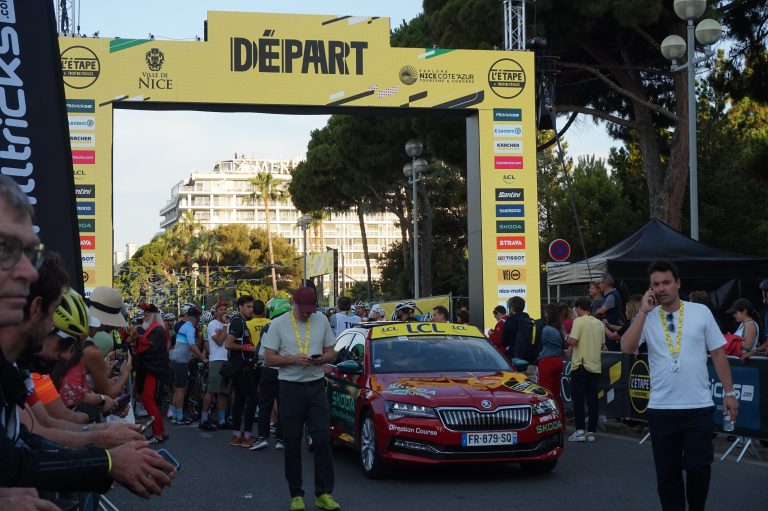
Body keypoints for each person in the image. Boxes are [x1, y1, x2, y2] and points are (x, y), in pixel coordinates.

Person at [0, 176, 174, 497]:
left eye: (29, 253)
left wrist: (102, 441)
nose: (72, 354)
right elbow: (30, 444)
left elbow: (20, 446)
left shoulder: (14, 368)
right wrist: (105, 455)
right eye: (4, 248)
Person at [621, 259, 738, 511]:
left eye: (666, 282)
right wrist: (642, 312)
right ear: (650, 288)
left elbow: (718, 354)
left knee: (699, 466)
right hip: (662, 409)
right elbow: (626, 348)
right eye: (655, 284)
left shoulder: (700, 312)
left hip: (698, 407)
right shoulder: (647, 317)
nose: (661, 288)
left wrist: (729, 392)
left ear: (678, 283)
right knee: (667, 476)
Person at [263, 288, 340, 511]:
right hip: (290, 388)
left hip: (316, 386)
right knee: (292, 442)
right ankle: (296, 494)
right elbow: (268, 358)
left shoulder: (321, 320)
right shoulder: (278, 324)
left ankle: (324, 493)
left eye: (310, 311)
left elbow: (330, 352)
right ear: (292, 303)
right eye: (302, 310)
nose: (306, 315)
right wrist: (292, 359)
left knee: (323, 440)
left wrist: (321, 359)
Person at [251, 297, 292, 451]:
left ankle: (262, 437)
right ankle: (281, 439)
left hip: (268, 369)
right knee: (283, 405)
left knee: (265, 405)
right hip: (287, 370)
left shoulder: (269, 326)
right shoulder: (294, 328)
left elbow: (261, 352)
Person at [566, 296, 605, 442]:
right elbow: (603, 345)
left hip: (580, 365)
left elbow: (573, 340)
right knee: (593, 400)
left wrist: (567, 340)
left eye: (575, 308)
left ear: (578, 307)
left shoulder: (578, 321)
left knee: (578, 399)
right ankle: (591, 432)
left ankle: (580, 430)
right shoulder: (599, 323)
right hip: (595, 365)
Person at [133, 302, 171, 444]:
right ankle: (161, 431)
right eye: (144, 314)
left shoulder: (157, 330)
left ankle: (158, 433)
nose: (145, 316)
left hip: (152, 370)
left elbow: (148, 347)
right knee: (148, 400)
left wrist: (139, 337)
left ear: (154, 315)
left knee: (148, 399)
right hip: (149, 369)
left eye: (147, 314)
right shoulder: (155, 329)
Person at [224, 295, 258, 448]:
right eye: (248, 307)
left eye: (252, 307)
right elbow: (228, 344)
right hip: (240, 367)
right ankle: (247, 435)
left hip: (239, 367)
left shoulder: (241, 322)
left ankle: (236, 435)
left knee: (239, 400)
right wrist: (247, 348)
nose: (251, 310)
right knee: (252, 398)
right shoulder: (238, 322)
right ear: (240, 307)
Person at [169, 305, 205, 425]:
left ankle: (175, 415)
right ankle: (179, 417)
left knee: (178, 389)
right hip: (180, 361)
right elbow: (192, 345)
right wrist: (202, 357)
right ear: (195, 318)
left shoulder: (185, 326)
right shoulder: (189, 328)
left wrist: (195, 355)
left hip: (176, 359)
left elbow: (186, 347)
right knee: (180, 390)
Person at [199, 300, 230, 431]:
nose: (224, 311)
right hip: (216, 360)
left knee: (223, 392)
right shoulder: (212, 324)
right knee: (211, 390)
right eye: (221, 309)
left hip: (226, 360)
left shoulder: (228, 324)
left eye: (225, 309)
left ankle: (222, 420)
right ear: (216, 312)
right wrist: (225, 326)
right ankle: (204, 420)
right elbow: (218, 341)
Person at [538, 304, 565, 416]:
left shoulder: (546, 329)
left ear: (547, 314)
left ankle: (549, 421)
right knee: (556, 393)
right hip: (558, 360)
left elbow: (538, 343)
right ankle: (560, 420)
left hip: (547, 361)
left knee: (546, 393)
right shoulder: (560, 328)